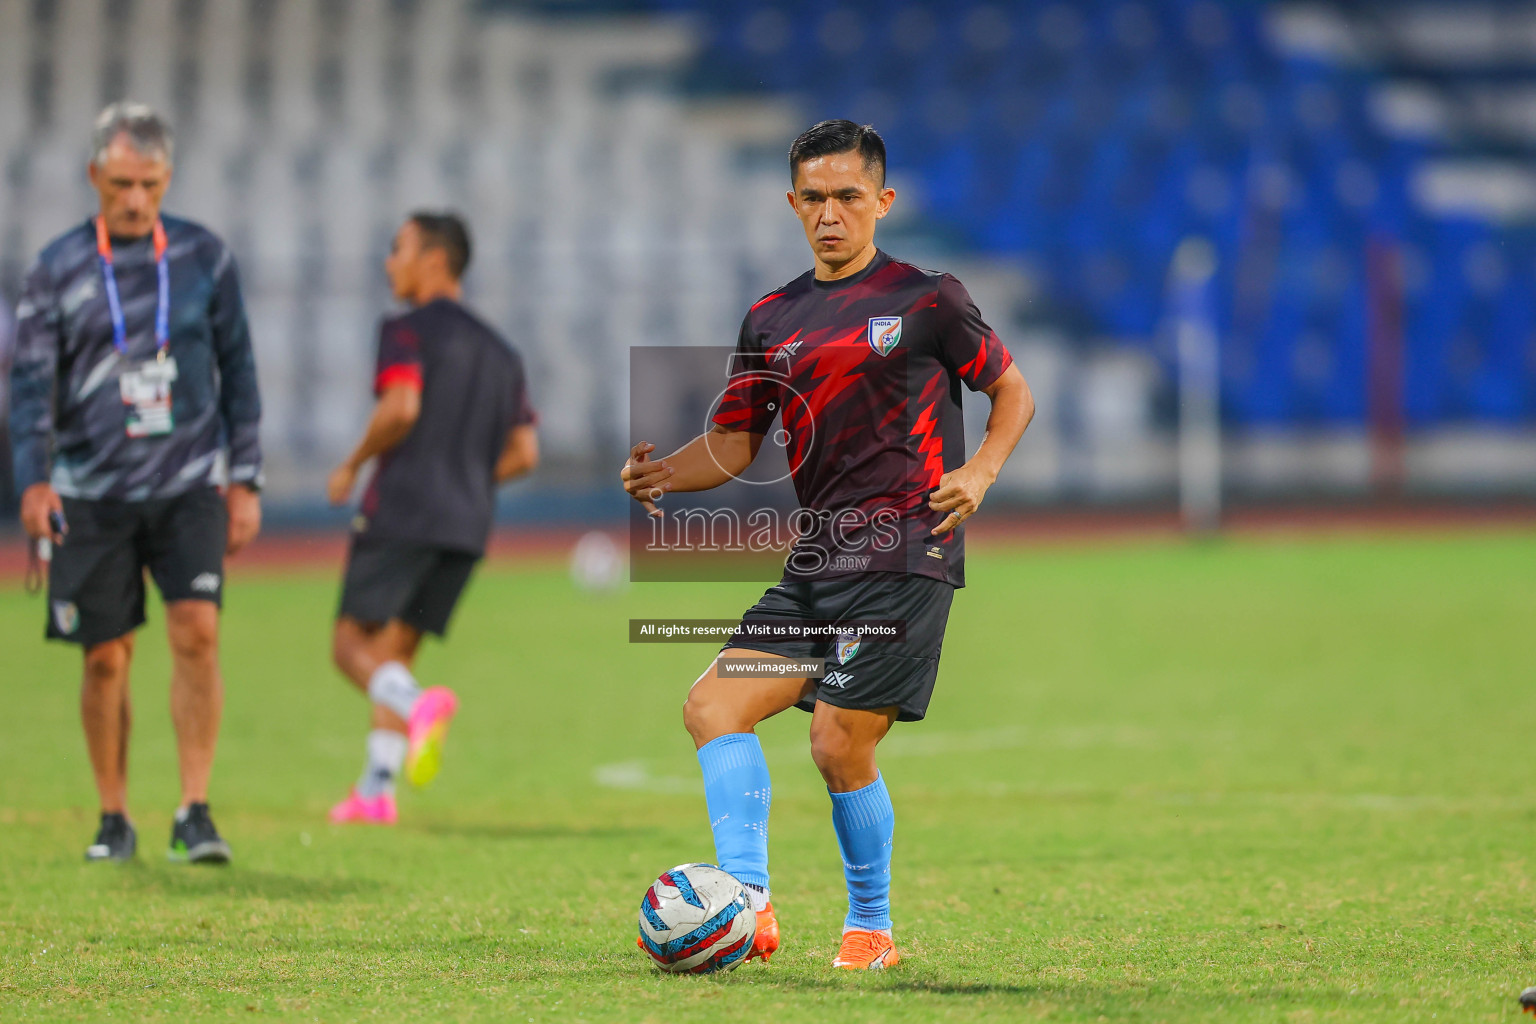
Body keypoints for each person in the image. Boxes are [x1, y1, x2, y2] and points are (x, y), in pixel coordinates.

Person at [622, 121, 1034, 969]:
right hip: (818, 560)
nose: (830, 213)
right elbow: (735, 445)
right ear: (792, 205)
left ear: (882, 201)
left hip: (906, 552)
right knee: (712, 706)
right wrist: (664, 472)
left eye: (848, 196)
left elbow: (1012, 390)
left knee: (838, 740)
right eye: (813, 198)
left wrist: (983, 470)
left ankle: (871, 928)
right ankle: (749, 904)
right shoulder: (772, 318)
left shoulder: (929, 300)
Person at [8, 101, 263, 864]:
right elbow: (29, 384)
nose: (133, 199)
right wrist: (33, 480)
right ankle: (113, 816)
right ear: (94, 176)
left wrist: (244, 478)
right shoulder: (55, 267)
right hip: (90, 488)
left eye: (148, 184)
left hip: (187, 481)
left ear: (167, 179)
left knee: (198, 631)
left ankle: (194, 808)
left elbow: (239, 369)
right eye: (120, 182)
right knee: (104, 655)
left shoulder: (203, 257)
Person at [325, 211, 538, 825]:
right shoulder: (503, 352)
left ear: (433, 260)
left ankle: (419, 708)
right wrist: (470, 481)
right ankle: (376, 789)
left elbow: (400, 406)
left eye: (398, 249)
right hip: (469, 523)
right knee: (394, 654)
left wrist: (352, 464)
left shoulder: (406, 329)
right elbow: (525, 453)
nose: (389, 262)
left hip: (404, 507)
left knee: (350, 648)